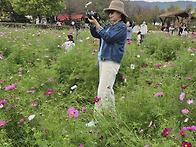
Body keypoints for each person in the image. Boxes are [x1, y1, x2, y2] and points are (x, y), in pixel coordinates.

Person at [86, 0, 128, 127]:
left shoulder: (121, 27)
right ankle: (113, 116)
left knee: (102, 92)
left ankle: (97, 121)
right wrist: (92, 24)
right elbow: (98, 34)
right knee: (108, 91)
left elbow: (108, 38)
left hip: (111, 61)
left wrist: (98, 24)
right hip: (104, 59)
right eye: (109, 12)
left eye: (113, 12)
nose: (110, 14)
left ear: (120, 14)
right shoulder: (110, 25)